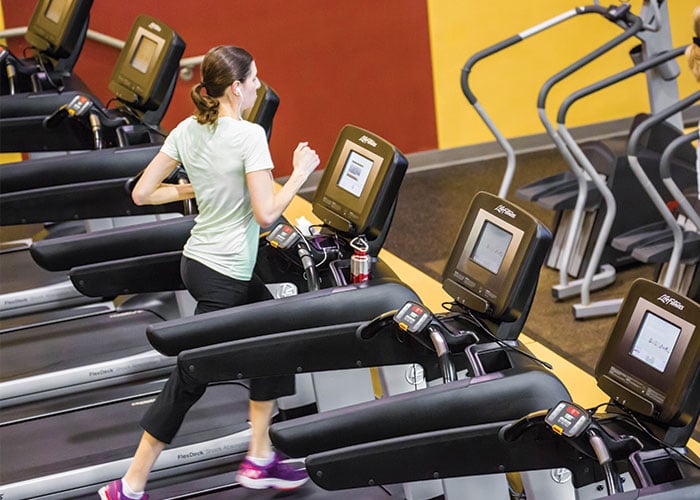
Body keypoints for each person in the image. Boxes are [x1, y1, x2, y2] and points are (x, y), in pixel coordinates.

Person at [98, 45, 320, 500]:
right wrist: (300, 173)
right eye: (255, 78)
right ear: (236, 88)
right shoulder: (250, 136)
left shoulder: (187, 129)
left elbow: (142, 193)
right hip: (225, 275)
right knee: (192, 374)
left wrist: (192, 185)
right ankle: (132, 483)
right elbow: (266, 214)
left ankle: (260, 457)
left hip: (199, 262)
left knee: (277, 337)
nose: (259, 85)